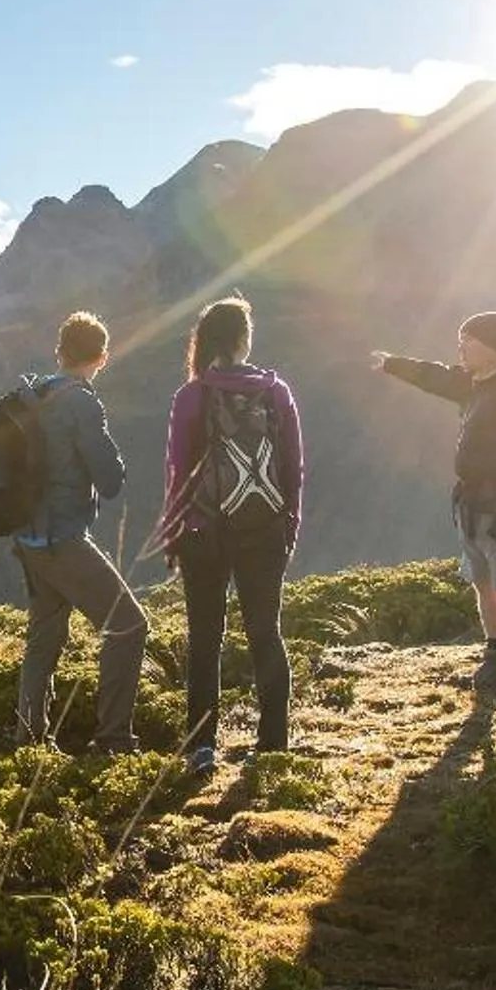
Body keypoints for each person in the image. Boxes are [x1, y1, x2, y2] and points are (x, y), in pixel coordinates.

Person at [368, 310, 496, 701]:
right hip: (471, 505)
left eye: (467, 341)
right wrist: (391, 364)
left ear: (490, 345)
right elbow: (434, 376)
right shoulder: (477, 383)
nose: (461, 348)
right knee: (484, 582)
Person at [154, 294, 302, 770]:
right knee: (266, 633)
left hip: (204, 532)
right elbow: (294, 467)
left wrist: (172, 533)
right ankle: (274, 743)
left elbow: (177, 472)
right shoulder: (276, 391)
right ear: (243, 340)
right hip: (266, 527)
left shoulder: (191, 396)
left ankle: (202, 748)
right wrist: (290, 523)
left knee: (205, 638)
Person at [12, 311, 148, 752]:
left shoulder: (35, 395)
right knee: (128, 625)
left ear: (59, 353)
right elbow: (109, 481)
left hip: (27, 538)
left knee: (45, 636)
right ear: (102, 358)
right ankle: (112, 739)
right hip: (64, 538)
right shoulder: (81, 402)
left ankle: (29, 739)